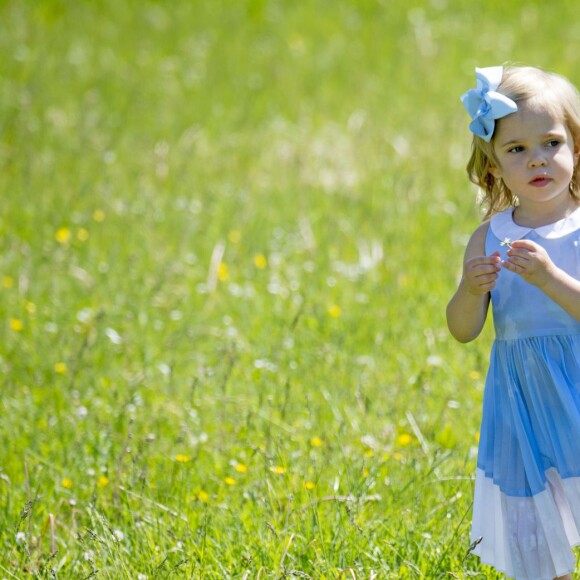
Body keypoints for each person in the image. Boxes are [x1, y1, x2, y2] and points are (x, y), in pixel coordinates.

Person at [447, 65, 580, 580]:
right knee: (535, 524)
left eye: (551, 142)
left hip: (576, 384)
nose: (538, 159)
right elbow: (463, 329)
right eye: (517, 149)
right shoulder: (488, 238)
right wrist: (470, 289)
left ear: (575, 146)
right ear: (494, 166)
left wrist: (548, 279)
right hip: (523, 398)